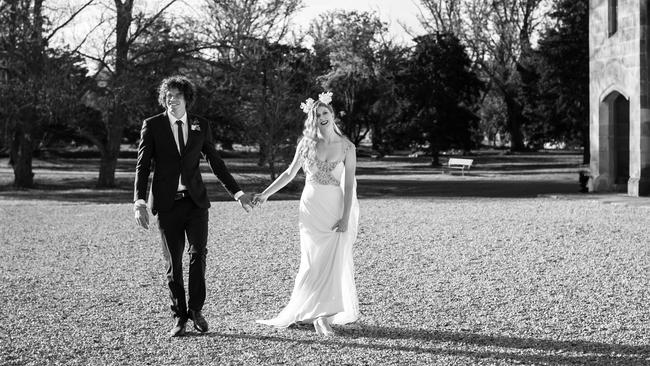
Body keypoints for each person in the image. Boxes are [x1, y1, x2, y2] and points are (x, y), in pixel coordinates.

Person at [133, 75, 255, 337]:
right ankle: (179, 316)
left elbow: (215, 162)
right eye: (168, 95)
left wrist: (238, 193)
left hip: (196, 202)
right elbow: (143, 166)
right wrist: (139, 201)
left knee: (198, 255)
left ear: (187, 99)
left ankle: (196, 310)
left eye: (177, 95)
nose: (171, 99)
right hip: (166, 205)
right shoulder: (152, 125)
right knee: (173, 263)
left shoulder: (201, 125)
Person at [254, 92, 360, 336]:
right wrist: (266, 194)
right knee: (312, 261)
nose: (321, 117)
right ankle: (306, 309)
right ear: (312, 119)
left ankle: (324, 316)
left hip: (334, 208)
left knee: (333, 260)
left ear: (332, 115)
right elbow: (289, 174)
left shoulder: (347, 146)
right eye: (317, 114)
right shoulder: (306, 144)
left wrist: (345, 217)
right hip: (311, 210)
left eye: (325, 113)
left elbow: (349, 185)